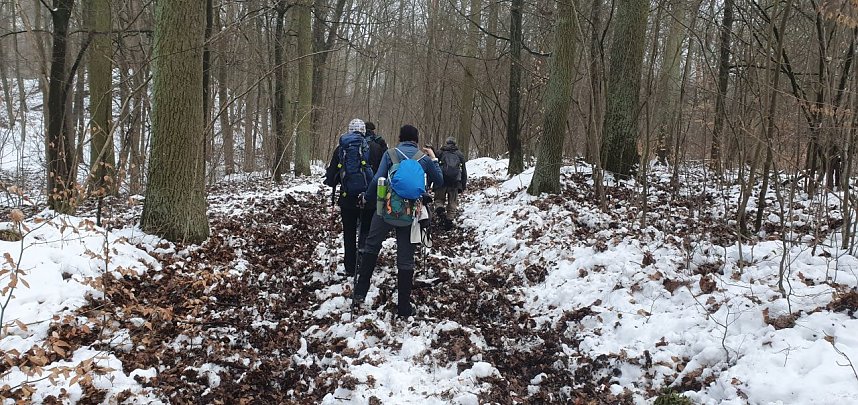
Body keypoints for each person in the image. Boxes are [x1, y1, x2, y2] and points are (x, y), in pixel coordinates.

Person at [354, 124, 443, 317]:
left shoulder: (391, 154)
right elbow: (440, 181)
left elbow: (377, 178)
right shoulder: (424, 159)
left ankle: (359, 294)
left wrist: (367, 198)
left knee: (371, 247)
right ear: (416, 140)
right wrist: (434, 158)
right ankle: (404, 306)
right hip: (411, 213)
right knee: (405, 259)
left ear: (400, 137)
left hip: (387, 208)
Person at [323, 119, 384, 276]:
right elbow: (382, 174)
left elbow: (331, 178)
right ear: (364, 131)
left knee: (349, 234)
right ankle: (365, 264)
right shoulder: (375, 148)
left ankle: (350, 267)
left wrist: (332, 179)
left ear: (349, 131)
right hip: (369, 199)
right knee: (367, 231)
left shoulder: (341, 148)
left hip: (347, 199)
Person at [434, 136, 467, 221]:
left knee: (438, 198)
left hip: (441, 180)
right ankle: (449, 219)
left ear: (446, 143)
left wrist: (432, 180)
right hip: (455, 182)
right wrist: (463, 185)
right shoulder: (460, 154)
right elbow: (463, 171)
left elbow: (434, 166)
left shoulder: (440, 152)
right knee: (452, 202)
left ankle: (439, 207)